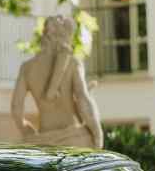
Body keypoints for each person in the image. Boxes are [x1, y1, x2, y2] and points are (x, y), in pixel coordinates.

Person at [11, 15, 103, 149]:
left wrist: (24, 127)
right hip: (74, 139)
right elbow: (83, 99)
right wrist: (97, 133)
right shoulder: (73, 63)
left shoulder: (27, 68)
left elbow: (16, 108)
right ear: (65, 36)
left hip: (43, 143)